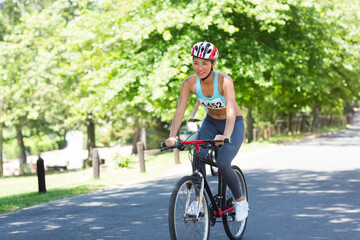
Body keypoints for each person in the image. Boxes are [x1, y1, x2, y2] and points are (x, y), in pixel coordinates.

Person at [165, 42, 249, 222]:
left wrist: (226, 135)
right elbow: (180, 110)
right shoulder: (189, 83)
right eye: (196, 62)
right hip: (210, 123)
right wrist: (173, 135)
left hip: (232, 124)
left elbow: (231, 110)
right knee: (198, 154)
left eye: (204, 63)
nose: (199, 67)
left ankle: (241, 201)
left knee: (223, 162)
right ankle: (198, 201)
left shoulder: (225, 80)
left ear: (213, 64)